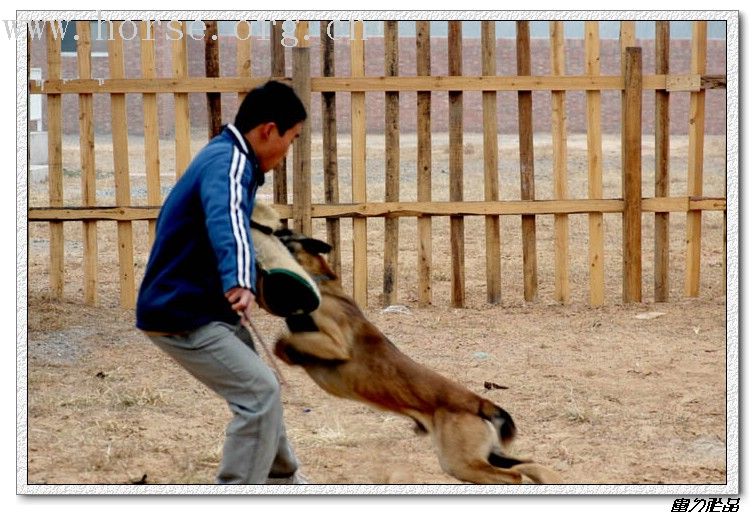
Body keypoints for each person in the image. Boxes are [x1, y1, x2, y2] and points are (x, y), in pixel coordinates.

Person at [136, 80, 307, 485]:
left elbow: (239, 219)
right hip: (181, 313)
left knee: (262, 392)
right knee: (260, 393)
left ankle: (283, 482)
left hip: (205, 308)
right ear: (268, 130)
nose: (288, 152)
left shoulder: (231, 159)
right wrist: (240, 280)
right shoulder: (228, 162)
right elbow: (225, 219)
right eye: (292, 139)